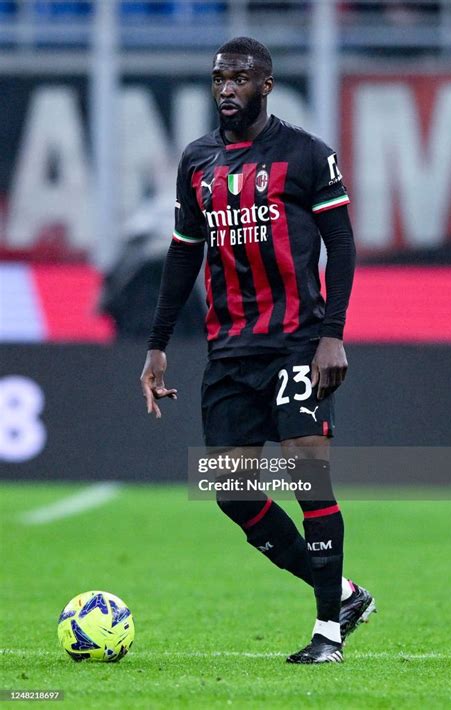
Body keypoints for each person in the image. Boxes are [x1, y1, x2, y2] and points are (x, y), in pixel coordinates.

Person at [141, 36, 376, 664]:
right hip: (230, 351)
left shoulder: (306, 155)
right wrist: (157, 344)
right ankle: (345, 593)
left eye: (239, 78)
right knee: (233, 489)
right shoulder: (198, 162)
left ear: (265, 84)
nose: (226, 88)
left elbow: (342, 246)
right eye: (219, 77)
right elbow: (183, 253)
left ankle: (328, 633)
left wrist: (333, 332)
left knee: (307, 474)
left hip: (297, 341)